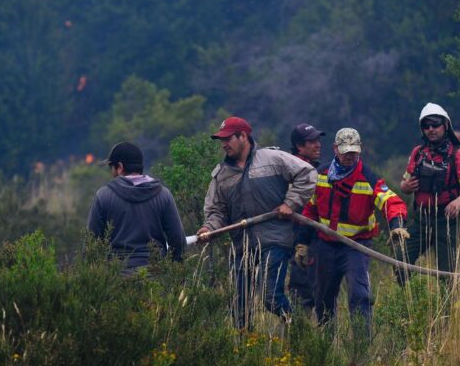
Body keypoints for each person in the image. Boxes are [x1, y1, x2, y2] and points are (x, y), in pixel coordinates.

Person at [197, 117, 316, 329]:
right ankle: (246, 343)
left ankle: (299, 331)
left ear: (243, 136)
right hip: (242, 246)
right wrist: (209, 228)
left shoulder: (273, 159)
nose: (224, 144)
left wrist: (290, 203)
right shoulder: (221, 175)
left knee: (270, 296)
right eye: (222, 140)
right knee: (239, 304)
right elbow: (216, 211)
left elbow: (307, 173)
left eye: (228, 139)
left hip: (274, 239)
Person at [296, 128, 408, 330]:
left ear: (360, 149)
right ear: (335, 149)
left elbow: (391, 201)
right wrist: (302, 243)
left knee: (359, 294)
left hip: (356, 247)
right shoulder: (320, 175)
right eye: (345, 151)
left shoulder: (368, 178)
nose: (350, 156)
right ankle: (326, 343)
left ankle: (361, 345)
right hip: (325, 246)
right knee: (323, 299)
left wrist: (396, 226)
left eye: (354, 151)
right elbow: (310, 211)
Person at [397, 103, 460, 284]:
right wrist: (407, 186)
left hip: (447, 221)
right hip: (421, 219)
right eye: (426, 126)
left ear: (446, 126)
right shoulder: (417, 153)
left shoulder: (458, 155)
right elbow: (404, 185)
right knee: (400, 259)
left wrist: (459, 201)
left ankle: (446, 302)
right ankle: (411, 297)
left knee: (448, 276)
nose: (431, 129)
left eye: (435, 124)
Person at [88, 142, 186, 272]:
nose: (111, 172)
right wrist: (174, 272)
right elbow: (178, 240)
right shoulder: (163, 195)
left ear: (120, 167)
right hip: (157, 276)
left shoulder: (103, 196)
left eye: (111, 167)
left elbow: (91, 243)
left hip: (116, 277)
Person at [287, 123, 325, 315]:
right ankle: (300, 329)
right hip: (300, 234)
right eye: (312, 141)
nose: (318, 145)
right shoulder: (293, 169)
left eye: (318, 140)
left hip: (313, 233)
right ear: (299, 146)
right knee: (303, 288)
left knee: (316, 286)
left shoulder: (314, 168)